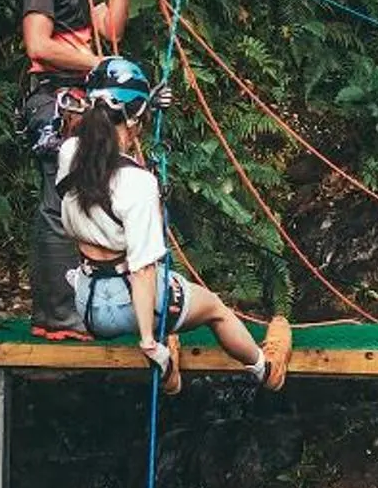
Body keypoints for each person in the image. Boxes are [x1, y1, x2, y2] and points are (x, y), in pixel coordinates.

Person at [57, 55, 289, 394]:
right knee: (215, 308)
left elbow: (107, 156)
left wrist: (145, 106)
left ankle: (168, 356)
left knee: (165, 298)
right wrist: (149, 344)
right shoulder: (138, 185)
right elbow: (143, 271)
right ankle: (264, 369)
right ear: (135, 118)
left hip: (88, 304)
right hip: (128, 303)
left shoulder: (70, 154)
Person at [19, 0, 140, 337]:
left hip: (80, 99)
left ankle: (78, 308)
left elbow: (111, 29)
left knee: (81, 197)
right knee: (58, 202)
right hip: (54, 98)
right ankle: (55, 314)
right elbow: (37, 44)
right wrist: (98, 64)